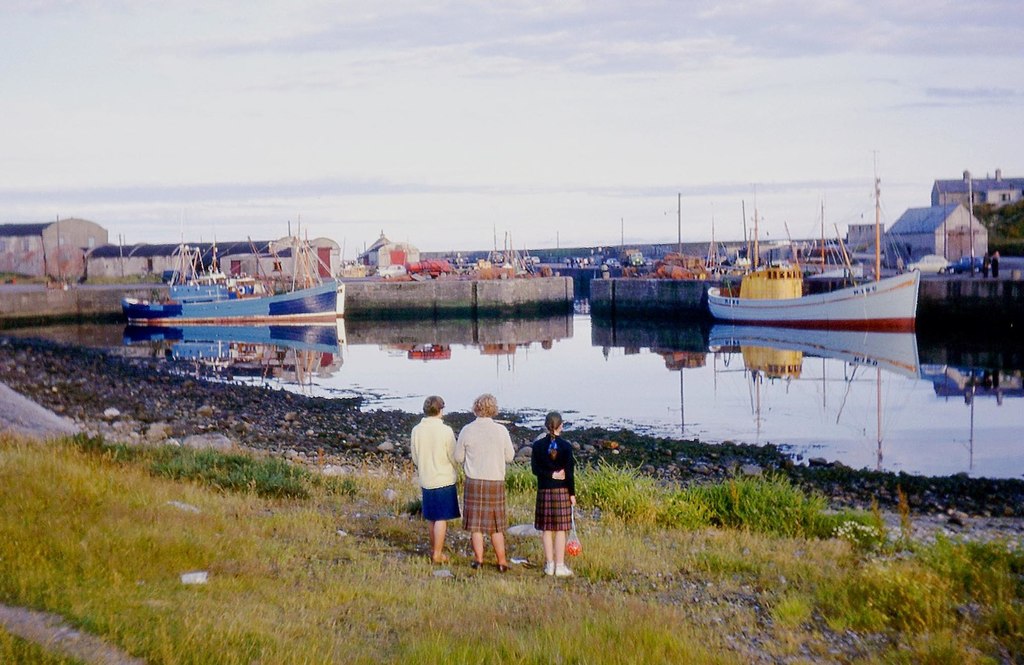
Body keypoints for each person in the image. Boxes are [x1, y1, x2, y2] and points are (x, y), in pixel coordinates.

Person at [454, 393, 516, 571]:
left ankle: (479, 560)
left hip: (474, 481)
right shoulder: (501, 431)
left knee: (476, 526)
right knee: (496, 526)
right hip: (495, 481)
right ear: (493, 409)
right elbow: (510, 457)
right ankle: (502, 562)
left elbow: (458, 458)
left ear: (476, 408)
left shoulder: (467, 429)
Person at [409, 395, 460, 564]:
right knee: (441, 518)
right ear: (440, 410)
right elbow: (453, 456)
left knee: (431, 517)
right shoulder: (445, 431)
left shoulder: (417, 430)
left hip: (426, 477)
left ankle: (434, 549)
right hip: (443, 478)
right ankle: (437, 553)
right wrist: (456, 469)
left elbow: (415, 456)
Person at [531, 411, 576, 578]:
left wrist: (550, 475)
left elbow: (535, 470)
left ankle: (549, 565)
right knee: (560, 530)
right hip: (561, 491)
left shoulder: (537, 446)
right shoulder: (566, 446)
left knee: (547, 530)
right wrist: (572, 494)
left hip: (544, 490)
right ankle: (560, 566)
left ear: (546, 425)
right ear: (561, 426)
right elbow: (570, 474)